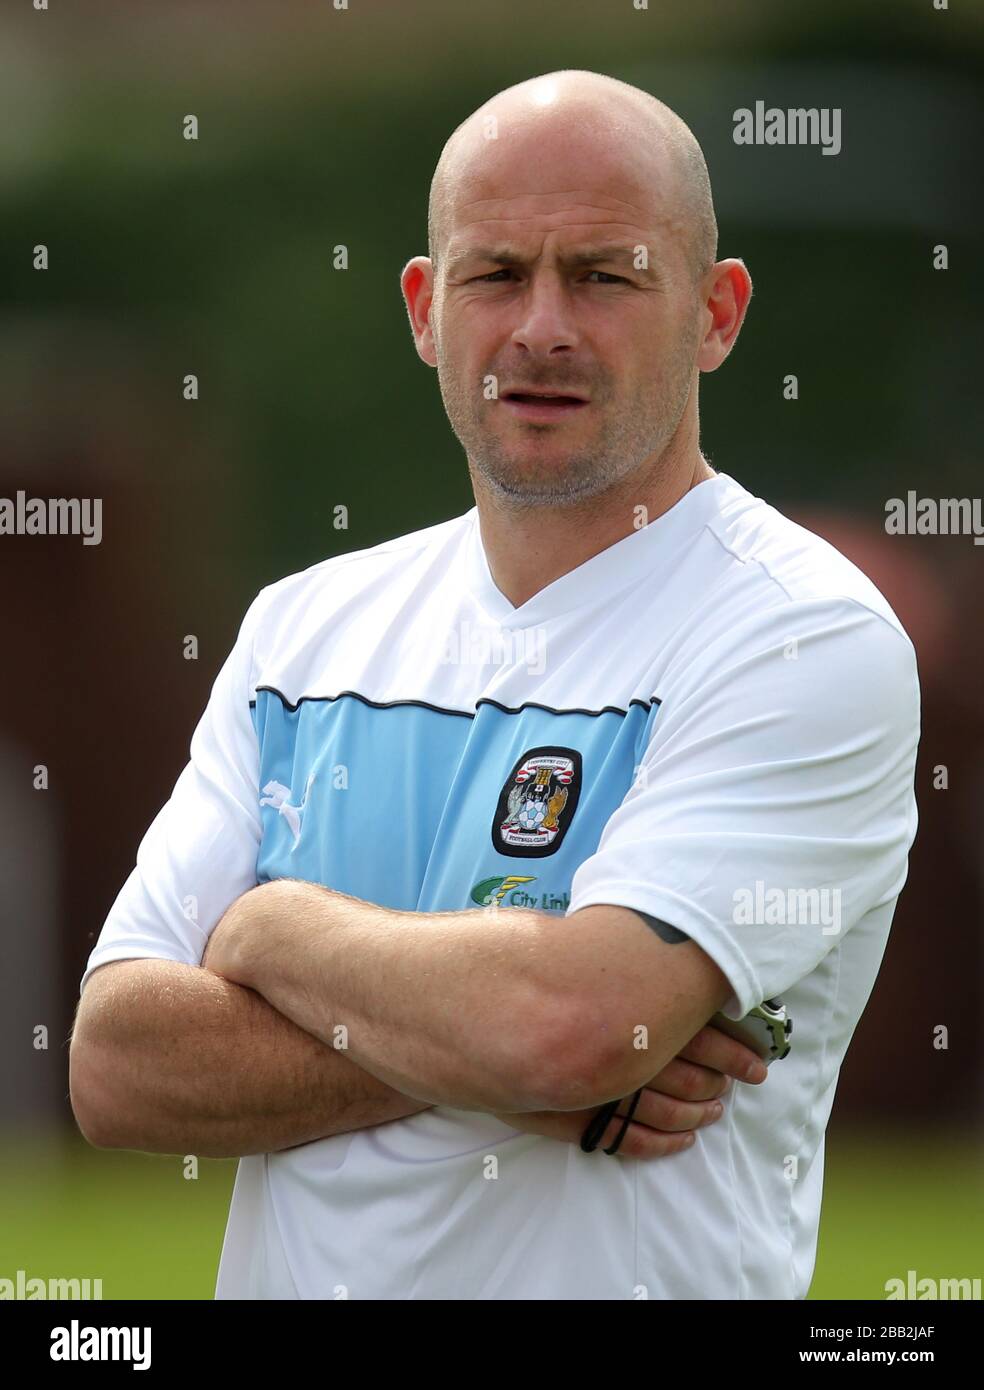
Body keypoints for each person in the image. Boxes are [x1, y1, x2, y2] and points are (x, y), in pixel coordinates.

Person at [70, 70, 920, 1300]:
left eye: (605, 274)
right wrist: (515, 1057)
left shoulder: (803, 633)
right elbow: (116, 1065)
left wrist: (269, 930)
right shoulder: (303, 630)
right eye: (495, 273)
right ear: (426, 309)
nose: (541, 329)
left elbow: (571, 1029)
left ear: (717, 314)